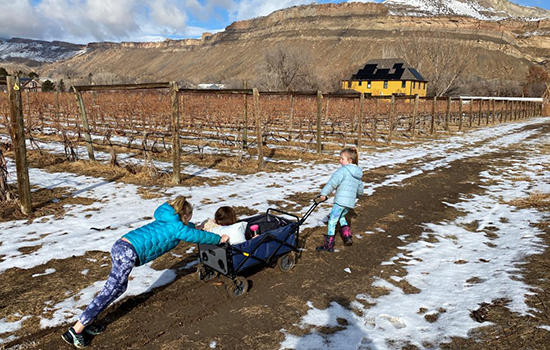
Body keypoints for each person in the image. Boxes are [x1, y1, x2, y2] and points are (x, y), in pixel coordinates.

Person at [62, 196, 229, 348]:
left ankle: (89, 321)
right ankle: (75, 330)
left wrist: (195, 227)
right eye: (189, 219)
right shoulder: (178, 227)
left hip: (122, 245)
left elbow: (185, 229)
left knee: (118, 288)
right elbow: (194, 236)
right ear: (184, 216)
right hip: (129, 253)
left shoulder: (167, 218)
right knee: (110, 291)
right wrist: (218, 239)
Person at [317, 147, 363, 253]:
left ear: (350, 160)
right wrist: (357, 197)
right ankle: (347, 237)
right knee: (342, 216)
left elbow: (332, 183)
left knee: (332, 220)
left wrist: (324, 193)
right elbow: (360, 189)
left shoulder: (342, 171)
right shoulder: (358, 173)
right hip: (350, 203)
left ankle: (328, 245)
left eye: (342, 159)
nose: (340, 161)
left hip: (340, 201)